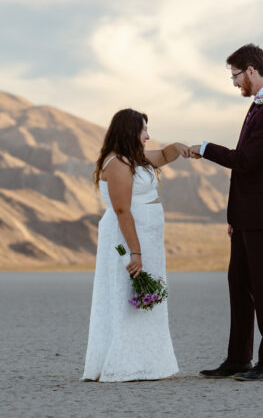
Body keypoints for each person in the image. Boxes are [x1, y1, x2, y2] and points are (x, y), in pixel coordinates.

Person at [192, 43, 263, 381]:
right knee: (239, 283)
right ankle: (238, 358)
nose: (235, 83)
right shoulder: (261, 105)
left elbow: (246, 161)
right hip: (247, 215)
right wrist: (235, 217)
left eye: (236, 76)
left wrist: (205, 149)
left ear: (251, 70)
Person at [81, 109, 191, 382]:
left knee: (146, 296)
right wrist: (135, 252)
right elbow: (121, 210)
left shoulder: (136, 159)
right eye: (144, 130)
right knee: (127, 294)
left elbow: (164, 156)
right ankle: (125, 363)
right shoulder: (118, 163)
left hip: (147, 237)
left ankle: (147, 362)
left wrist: (178, 147)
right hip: (127, 238)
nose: (148, 136)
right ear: (130, 131)